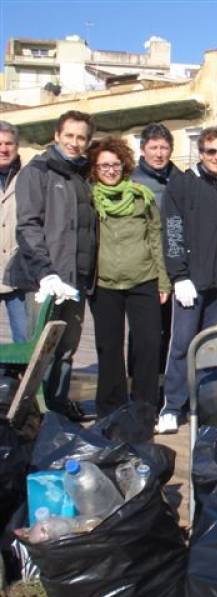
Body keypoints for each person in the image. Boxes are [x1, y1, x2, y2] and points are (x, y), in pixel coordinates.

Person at [156, 127, 217, 434]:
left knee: (211, 346)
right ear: (201, 152)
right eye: (212, 151)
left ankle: (204, 402)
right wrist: (179, 275)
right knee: (182, 343)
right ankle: (172, 405)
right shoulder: (181, 185)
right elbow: (172, 231)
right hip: (191, 283)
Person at [7, 110, 97, 421]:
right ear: (57, 135)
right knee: (41, 351)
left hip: (75, 279)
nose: (74, 142)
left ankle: (58, 410)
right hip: (45, 280)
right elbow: (28, 225)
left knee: (67, 349)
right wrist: (46, 273)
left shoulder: (81, 175)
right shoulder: (38, 171)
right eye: (69, 135)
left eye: (81, 137)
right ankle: (34, 414)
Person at [86, 136, 169, 420]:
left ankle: (145, 407)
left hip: (143, 280)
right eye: (104, 166)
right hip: (105, 284)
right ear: (95, 169)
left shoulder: (140, 197)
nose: (110, 170)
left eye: (115, 164)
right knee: (109, 348)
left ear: (124, 165)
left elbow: (156, 237)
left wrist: (163, 280)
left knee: (148, 345)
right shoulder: (89, 199)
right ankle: (111, 409)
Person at [131, 123, 180, 376]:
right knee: (144, 333)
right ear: (143, 149)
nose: (159, 153)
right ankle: (137, 384)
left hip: (173, 267)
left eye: (164, 147)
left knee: (166, 331)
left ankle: (160, 384)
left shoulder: (180, 178)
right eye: (154, 147)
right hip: (143, 266)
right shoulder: (132, 181)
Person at [0, 121, 27, 343]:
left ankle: (17, 378)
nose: (4, 148)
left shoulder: (29, 178)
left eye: (9, 143)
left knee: (25, 340)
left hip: (19, 272)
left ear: (17, 146)